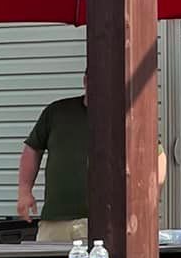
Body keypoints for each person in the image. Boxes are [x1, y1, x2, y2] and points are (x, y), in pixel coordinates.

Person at [17, 77, 165, 244]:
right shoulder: (56, 112)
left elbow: (158, 156)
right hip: (55, 221)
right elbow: (32, 149)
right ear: (86, 81)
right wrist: (24, 191)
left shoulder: (126, 115)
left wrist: (149, 199)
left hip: (105, 221)